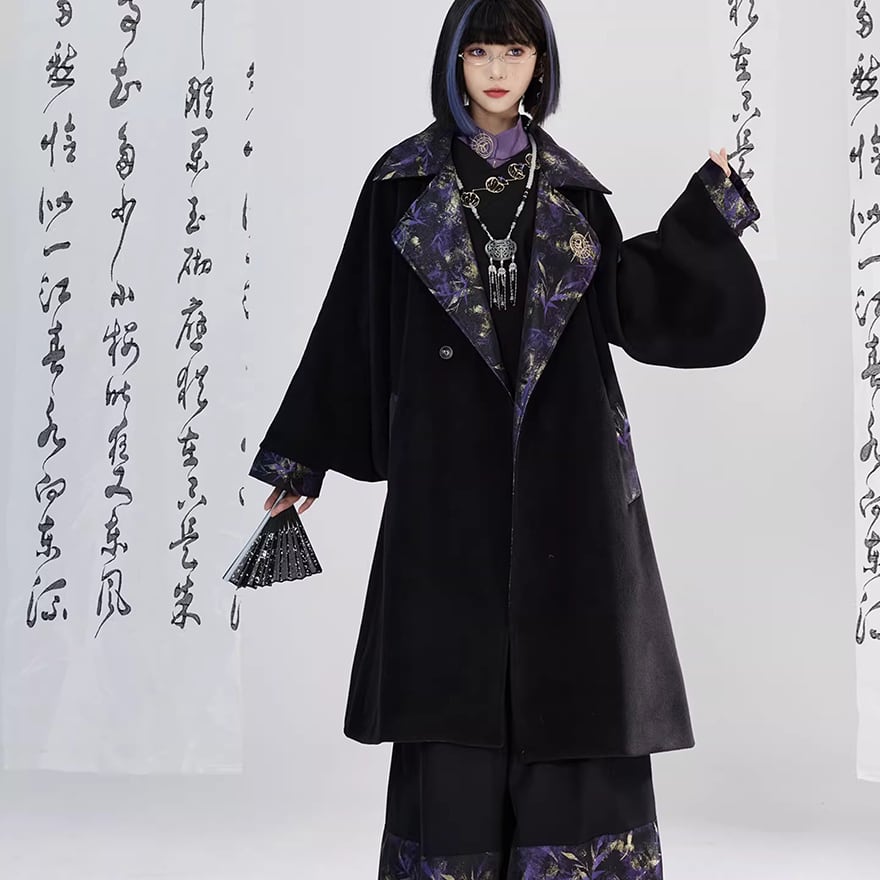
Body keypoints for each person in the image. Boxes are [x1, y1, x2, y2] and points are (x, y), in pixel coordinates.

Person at [249, 0, 764, 875]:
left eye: (514, 52)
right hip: (446, 480)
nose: (496, 70)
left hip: (573, 479)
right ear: (454, 59)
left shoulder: (571, 190)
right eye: (480, 50)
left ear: (539, 64)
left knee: (576, 697)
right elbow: (352, 319)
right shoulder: (400, 185)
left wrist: (705, 216)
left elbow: (627, 302)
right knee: (452, 698)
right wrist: (303, 459)